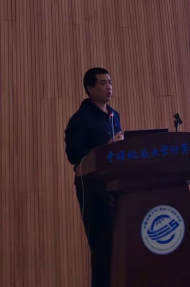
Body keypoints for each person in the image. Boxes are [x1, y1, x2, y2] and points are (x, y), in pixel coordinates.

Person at [65, 67, 124, 287]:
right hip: (92, 188)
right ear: (90, 88)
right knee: (102, 248)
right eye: (103, 83)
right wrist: (106, 148)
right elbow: (74, 156)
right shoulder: (79, 120)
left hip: (117, 184)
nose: (109, 87)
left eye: (110, 82)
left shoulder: (113, 115)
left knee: (120, 246)